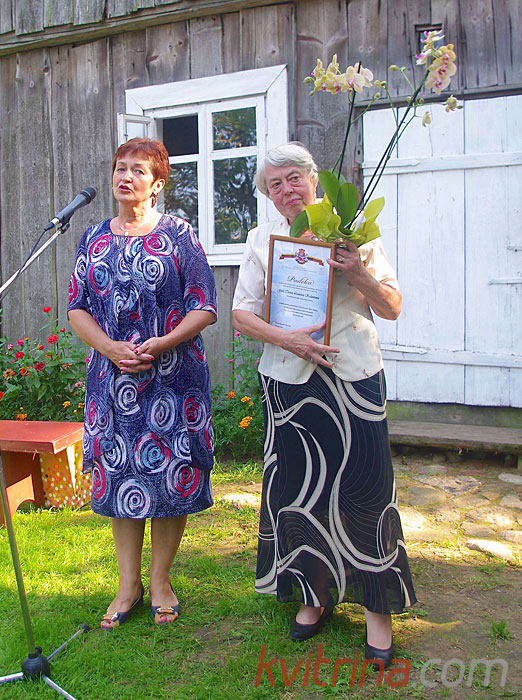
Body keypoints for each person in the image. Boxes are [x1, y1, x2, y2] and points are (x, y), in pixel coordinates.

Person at [232, 143, 416, 666]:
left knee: (367, 491)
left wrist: (357, 271)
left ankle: (377, 609)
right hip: (290, 379)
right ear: (268, 195)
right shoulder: (261, 239)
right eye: (275, 184)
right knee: (298, 490)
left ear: (315, 180)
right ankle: (313, 594)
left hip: (353, 374)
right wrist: (289, 340)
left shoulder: (353, 232)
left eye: (294, 178)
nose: (286, 190)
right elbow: (242, 314)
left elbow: (392, 306)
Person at [68, 137, 217, 629]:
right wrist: (110, 348)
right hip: (113, 382)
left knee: (171, 475)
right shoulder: (93, 238)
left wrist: (164, 341)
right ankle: (128, 585)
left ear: (157, 184)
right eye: (119, 168)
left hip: (173, 378)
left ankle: (161, 581)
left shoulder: (179, 234)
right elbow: (77, 307)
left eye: (137, 169)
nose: (125, 176)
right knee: (122, 478)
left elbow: (204, 304)